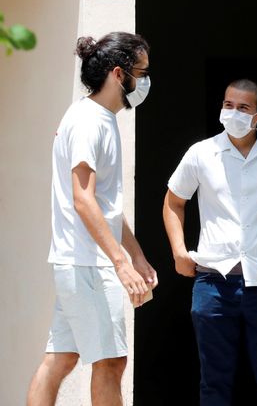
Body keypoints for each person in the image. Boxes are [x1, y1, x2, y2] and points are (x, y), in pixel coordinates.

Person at [162, 78, 257, 406]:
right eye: (228, 105)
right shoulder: (201, 153)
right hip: (213, 284)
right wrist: (178, 251)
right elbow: (174, 201)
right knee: (214, 384)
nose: (232, 112)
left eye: (243, 108)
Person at [27, 33, 159, 406]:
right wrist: (119, 262)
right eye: (142, 72)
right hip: (88, 264)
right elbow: (83, 200)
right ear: (119, 74)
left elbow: (104, 204)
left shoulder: (98, 118)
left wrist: (134, 254)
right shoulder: (91, 122)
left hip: (80, 260)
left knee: (60, 358)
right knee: (111, 363)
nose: (145, 80)